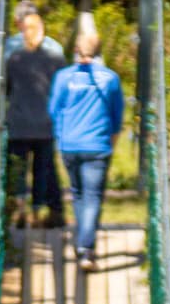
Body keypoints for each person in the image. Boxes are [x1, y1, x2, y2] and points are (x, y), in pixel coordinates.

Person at [47, 18, 125, 268]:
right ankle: (86, 248)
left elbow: (53, 109)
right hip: (98, 145)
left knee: (78, 194)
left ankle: (83, 243)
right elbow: (117, 116)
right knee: (92, 197)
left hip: (70, 144)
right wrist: (112, 139)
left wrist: (61, 133)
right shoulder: (110, 79)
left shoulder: (63, 77)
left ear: (76, 49)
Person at [5, 3, 65, 227]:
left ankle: (19, 209)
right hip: (45, 123)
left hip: (18, 123)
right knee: (43, 170)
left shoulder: (14, 56)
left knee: (18, 169)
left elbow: (6, 89)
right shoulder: (55, 54)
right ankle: (38, 211)